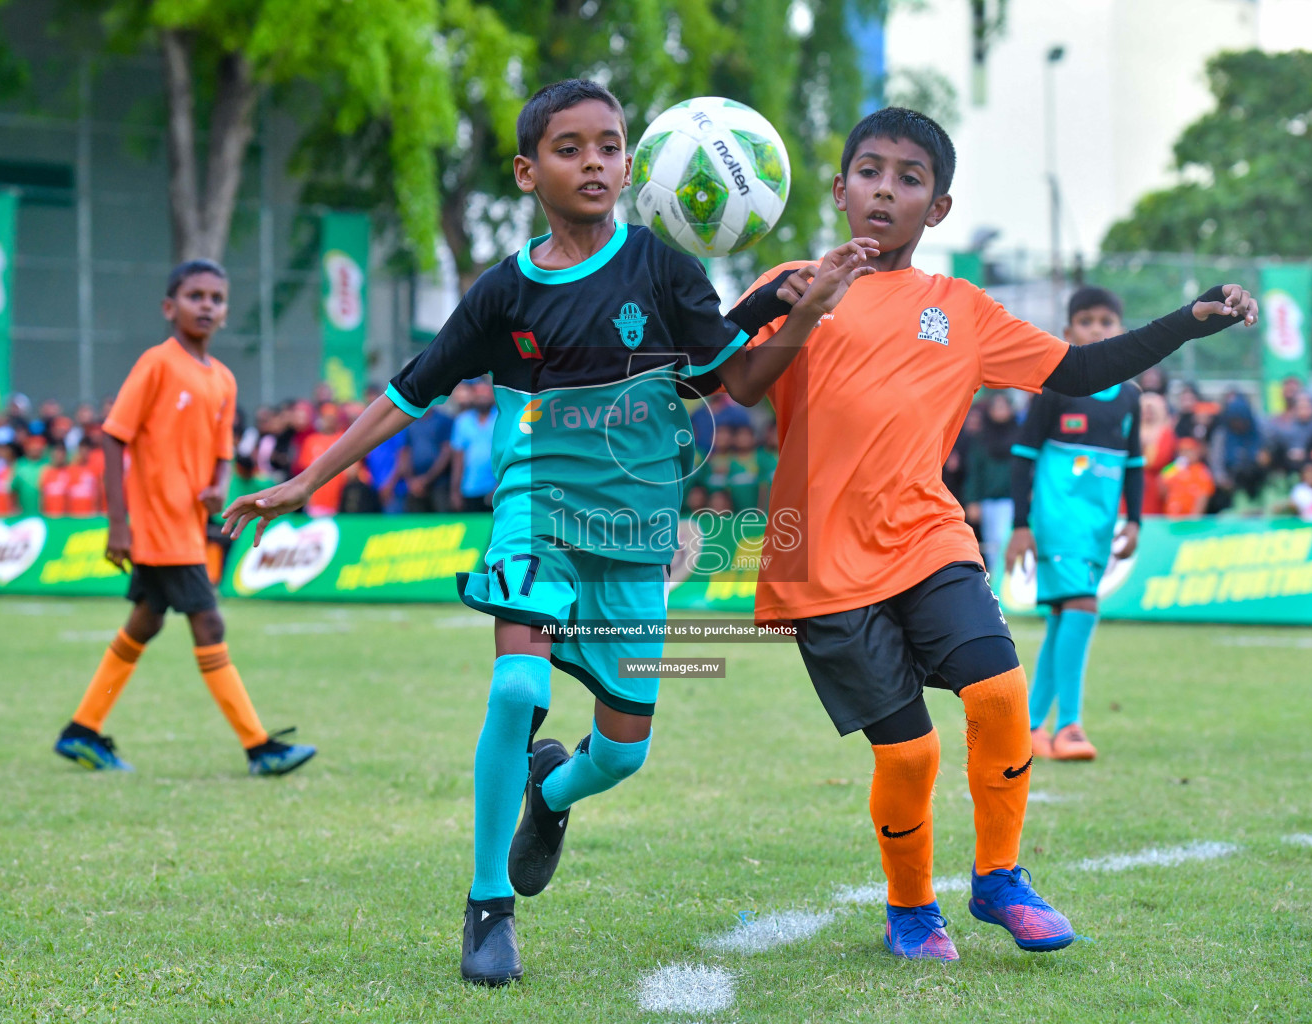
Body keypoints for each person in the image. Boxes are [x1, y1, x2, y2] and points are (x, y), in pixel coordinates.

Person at [221, 79, 872, 986]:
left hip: (637, 531)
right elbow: (408, 392)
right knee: (515, 684)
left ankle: (551, 791)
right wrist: (304, 479)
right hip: (537, 509)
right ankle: (490, 906)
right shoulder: (503, 293)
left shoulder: (665, 271)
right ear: (529, 171)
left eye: (610, 146)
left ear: (632, 165)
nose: (595, 162)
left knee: (625, 752)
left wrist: (804, 306)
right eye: (571, 148)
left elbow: (740, 384)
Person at [741, 107, 1256, 963]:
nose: (886, 190)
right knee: (908, 755)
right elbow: (726, 378)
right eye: (870, 171)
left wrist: (1187, 320)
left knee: (1003, 694)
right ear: (839, 190)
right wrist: (774, 302)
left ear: (936, 209)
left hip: (928, 536)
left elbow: (1082, 371)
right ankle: (911, 911)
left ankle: (1001, 879)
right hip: (819, 560)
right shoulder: (797, 280)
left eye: (911, 179)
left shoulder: (962, 309)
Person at [52, 259, 315, 777]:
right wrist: (118, 523)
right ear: (170, 307)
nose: (206, 305)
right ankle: (259, 746)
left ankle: (83, 728)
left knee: (144, 624)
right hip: (156, 526)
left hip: (187, 525)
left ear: (225, 311)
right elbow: (112, 435)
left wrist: (220, 483)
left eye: (216, 298)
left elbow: (221, 450)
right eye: (195, 296)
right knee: (208, 620)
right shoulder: (157, 363)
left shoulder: (223, 380)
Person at [1005, 286, 1142, 764]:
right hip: (1056, 520)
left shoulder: (1130, 397)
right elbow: (1021, 458)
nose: (1097, 328)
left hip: (1100, 526)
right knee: (1083, 606)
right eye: (1086, 321)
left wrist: (1137, 520)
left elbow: (1136, 464)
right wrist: (1021, 525)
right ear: (1067, 332)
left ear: (1122, 331)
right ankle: (1070, 726)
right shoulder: (1055, 386)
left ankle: (1028, 727)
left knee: (1066, 617)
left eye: (1107, 321)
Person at [965, 392, 1018, 571]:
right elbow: (974, 471)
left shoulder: (1018, 436)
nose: (1000, 412)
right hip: (989, 501)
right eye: (996, 407)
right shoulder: (982, 438)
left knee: (1008, 545)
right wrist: (972, 500)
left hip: (1013, 500)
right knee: (992, 547)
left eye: (1004, 407)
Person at [449, 377, 498, 511]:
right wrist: (455, 490)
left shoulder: (501, 419)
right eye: (478, 392)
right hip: (470, 488)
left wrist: (500, 486)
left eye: (485, 392)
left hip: (495, 489)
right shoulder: (462, 421)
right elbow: (458, 459)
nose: (482, 396)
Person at [1138, 392, 1176, 515]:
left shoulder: (1166, 432)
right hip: (1132, 481)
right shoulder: (1132, 429)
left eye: (1152, 410)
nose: (1148, 414)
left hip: (1156, 485)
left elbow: (1161, 459)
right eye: (1145, 410)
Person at [1160, 437, 1215, 516]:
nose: (1185, 454)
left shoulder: (1201, 471)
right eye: (1182, 451)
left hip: (1189, 519)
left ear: (1196, 452)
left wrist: (1194, 517)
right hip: (1171, 517)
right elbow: (1161, 490)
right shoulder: (1173, 468)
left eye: (1189, 451)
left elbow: (1203, 496)